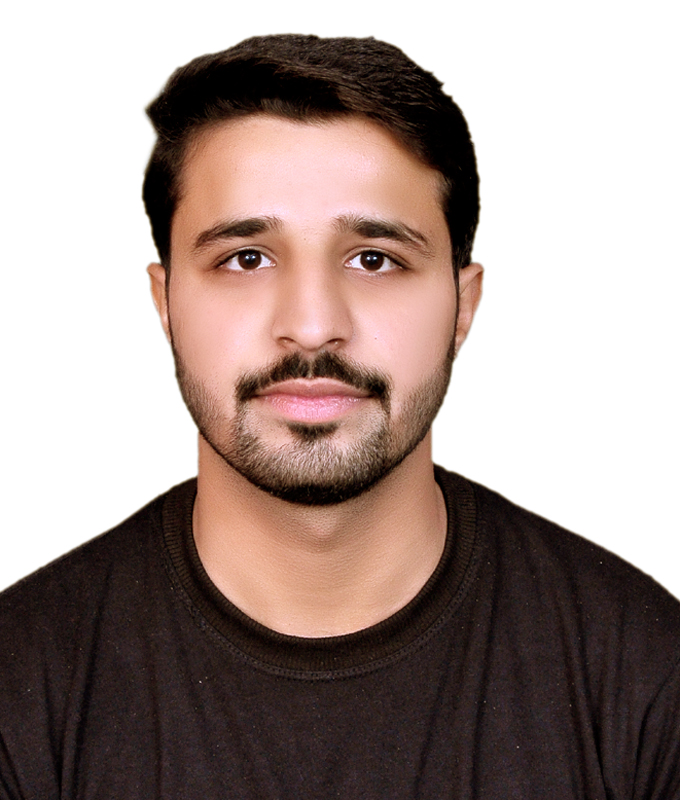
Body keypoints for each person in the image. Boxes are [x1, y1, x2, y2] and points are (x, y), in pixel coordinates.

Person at [0, 33, 678, 799]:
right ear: (166, 303)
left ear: (462, 306)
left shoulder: (646, 681)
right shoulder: (22, 688)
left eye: (374, 258)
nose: (313, 325)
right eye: (246, 258)